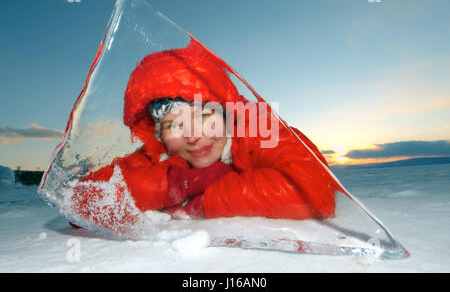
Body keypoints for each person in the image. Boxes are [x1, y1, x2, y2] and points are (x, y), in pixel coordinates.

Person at [69, 38, 341, 233]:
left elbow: (315, 190)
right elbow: (76, 204)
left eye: (203, 116)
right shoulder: (158, 157)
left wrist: (207, 200)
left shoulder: (259, 132)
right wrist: (174, 184)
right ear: (159, 135)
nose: (193, 136)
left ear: (225, 115)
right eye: (174, 125)